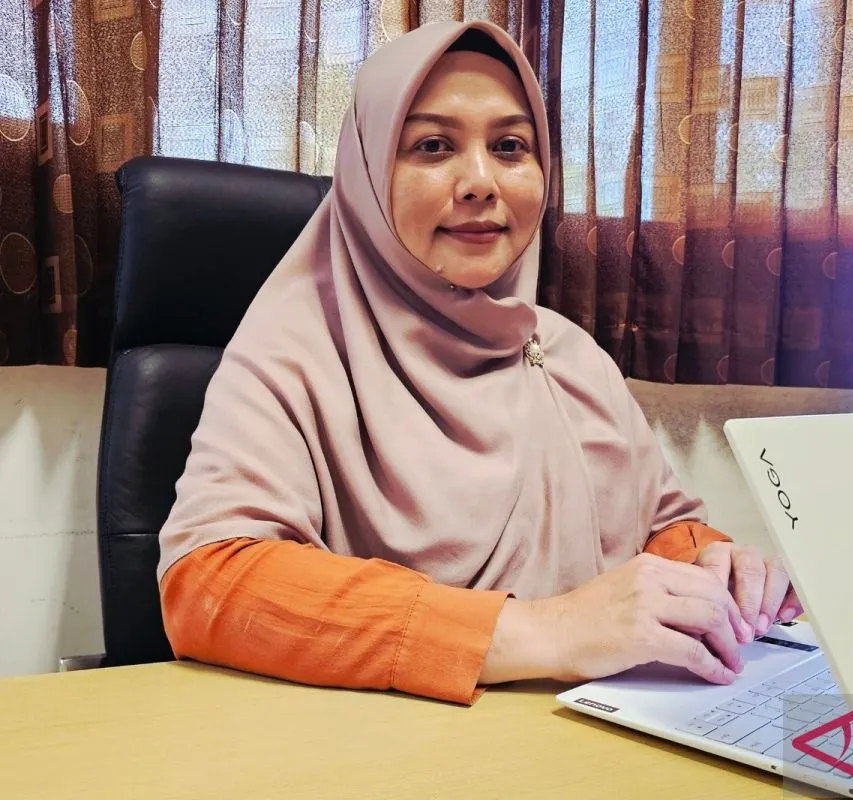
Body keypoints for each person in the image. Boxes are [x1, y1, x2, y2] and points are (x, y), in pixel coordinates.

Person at [157, 20, 802, 706]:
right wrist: (546, 630)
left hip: (596, 728)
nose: (480, 182)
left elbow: (658, 529)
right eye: (433, 146)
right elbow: (211, 579)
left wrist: (711, 570)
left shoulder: (565, 353)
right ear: (368, 174)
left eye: (510, 147)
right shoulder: (295, 353)